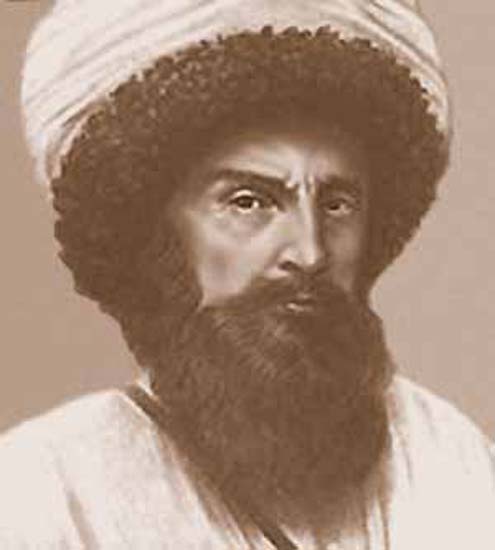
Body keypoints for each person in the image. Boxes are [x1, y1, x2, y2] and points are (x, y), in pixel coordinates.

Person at [1, 0, 494, 548]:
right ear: (157, 234)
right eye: (248, 201)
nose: (309, 253)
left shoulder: (444, 454)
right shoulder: (46, 489)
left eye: (337, 204)